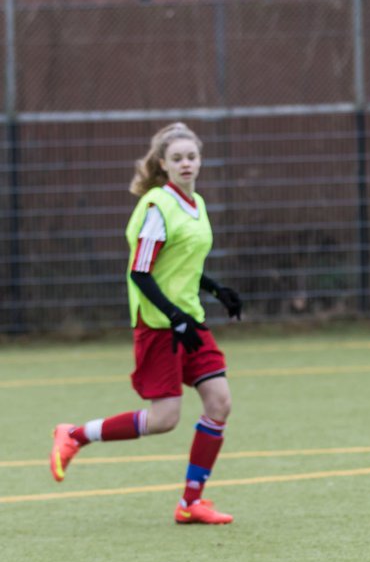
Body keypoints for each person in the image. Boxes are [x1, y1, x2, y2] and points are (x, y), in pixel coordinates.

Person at [49, 122, 243, 525]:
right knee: (164, 420)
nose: (186, 164)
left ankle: (191, 503)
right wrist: (174, 319)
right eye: (177, 158)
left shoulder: (196, 203)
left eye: (191, 157)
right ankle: (74, 435)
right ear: (163, 164)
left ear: (200, 160)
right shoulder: (158, 206)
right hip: (160, 324)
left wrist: (215, 288)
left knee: (219, 402)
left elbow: (181, 265)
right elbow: (141, 272)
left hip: (189, 318)